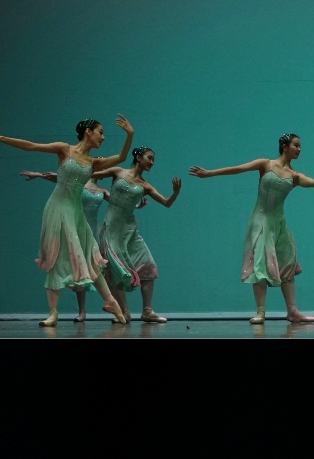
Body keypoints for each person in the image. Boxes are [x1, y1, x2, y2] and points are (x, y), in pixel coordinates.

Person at [188, 132, 314, 323]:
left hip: (279, 224)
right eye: (296, 145)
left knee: (287, 263)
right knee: (260, 263)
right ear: (285, 147)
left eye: (300, 146)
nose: (299, 149)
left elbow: (311, 182)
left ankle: (292, 311)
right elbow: (238, 169)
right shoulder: (265, 164)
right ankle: (260, 312)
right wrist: (209, 173)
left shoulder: (294, 176)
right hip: (260, 220)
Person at [1, 115, 134, 325]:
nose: (103, 137)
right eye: (100, 132)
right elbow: (31, 146)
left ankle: (110, 301)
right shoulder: (64, 149)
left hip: (76, 213)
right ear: (88, 132)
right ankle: (53, 312)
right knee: (56, 255)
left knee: (90, 256)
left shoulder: (94, 163)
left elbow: (121, 157)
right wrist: (2, 138)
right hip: (57, 209)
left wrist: (130, 134)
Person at [95, 145, 181, 323]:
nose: (152, 162)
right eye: (149, 157)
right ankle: (124, 312)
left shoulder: (145, 186)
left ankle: (147, 311)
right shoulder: (118, 172)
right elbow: (89, 174)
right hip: (111, 229)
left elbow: (166, 203)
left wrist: (175, 193)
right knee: (115, 270)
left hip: (130, 230)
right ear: (138, 157)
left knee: (149, 266)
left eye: (153, 159)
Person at [20, 169, 111, 321]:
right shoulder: (79, 183)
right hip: (75, 226)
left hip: (92, 230)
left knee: (90, 268)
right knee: (77, 267)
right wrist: (38, 175)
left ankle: (98, 307)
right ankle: (76, 311)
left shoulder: (103, 191)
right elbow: (58, 178)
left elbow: (119, 202)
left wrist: (137, 205)